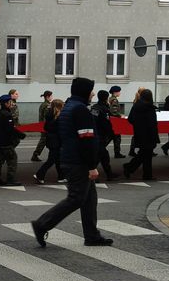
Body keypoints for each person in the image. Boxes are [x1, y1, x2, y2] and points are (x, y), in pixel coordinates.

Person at [31, 77, 112, 248]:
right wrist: (91, 166)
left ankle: (92, 235)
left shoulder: (68, 107)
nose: (93, 93)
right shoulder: (80, 110)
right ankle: (41, 224)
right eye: (91, 90)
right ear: (85, 92)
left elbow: (50, 127)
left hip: (70, 158)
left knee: (90, 199)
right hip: (78, 162)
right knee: (75, 199)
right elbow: (86, 140)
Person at [121, 89, 158, 180]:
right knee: (146, 155)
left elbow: (130, 119)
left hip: (139, 133)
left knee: (144, 154)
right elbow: (152, 124)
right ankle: (130, 168)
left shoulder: (136, 106)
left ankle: (144, 173)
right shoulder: (150, 108)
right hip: (149, 134)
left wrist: (138, 125)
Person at [0, 94, 25, 185]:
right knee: (12, 160)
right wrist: (20, 135)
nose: (11, 104)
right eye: (10, 102)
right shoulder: (6, 114)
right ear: (6, 103)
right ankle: (10, 180)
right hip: (6, 142)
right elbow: (10, 129)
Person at [34, 99, 65, 184]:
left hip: (51, 139)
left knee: (58, 159)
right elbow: (60, 129)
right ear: (59, 107)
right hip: (56, 141)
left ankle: (61, 176)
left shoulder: (50, 115)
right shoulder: (58, 117)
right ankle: (39, 174)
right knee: (51, 160)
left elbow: (46, 128)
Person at [90, 90, 115, 180]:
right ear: (106, 98)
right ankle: (90, 174)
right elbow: (102, 122)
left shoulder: (99, 107)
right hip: (99, 135)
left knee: (102, 155)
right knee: (101, 155)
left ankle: (109, 174)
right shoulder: (99, 108)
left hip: (100, 135)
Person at [31, 90, 52, 161]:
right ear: (47, 97)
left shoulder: (43, 104)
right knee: (43, 141)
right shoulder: (47, 105)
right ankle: (35, 155)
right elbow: (47, 117)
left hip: (43, 125)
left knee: (46, 141)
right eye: (51, 96)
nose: (52, 97)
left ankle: (53, 155)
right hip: (45, 126)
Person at [107, 86, 124, 158]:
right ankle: (117, 153)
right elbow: (114, 111)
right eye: (119, 91)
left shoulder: (111, 99)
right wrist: (120, 116)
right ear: (115, 92)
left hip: (112, 121)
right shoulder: (114, 100)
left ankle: (117, 153)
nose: (120, 93)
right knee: (116, 137)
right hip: (115, 121)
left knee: (112, 137)